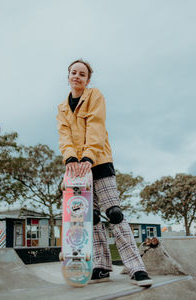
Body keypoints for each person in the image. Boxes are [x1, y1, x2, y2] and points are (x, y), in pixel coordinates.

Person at [56, 59, 153, 287]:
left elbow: (96, 126)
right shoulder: (62, 107)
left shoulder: (94, 96)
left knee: (115, 213)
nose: (77, 76)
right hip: (77, 170)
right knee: (93, 219)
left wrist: (89, 157)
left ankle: (136, 268)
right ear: (68, 76)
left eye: (82, 74)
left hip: (98, 161)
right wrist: (70, 158)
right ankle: (102, 266)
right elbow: (64, 136)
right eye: (73, 73)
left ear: (87, 80)